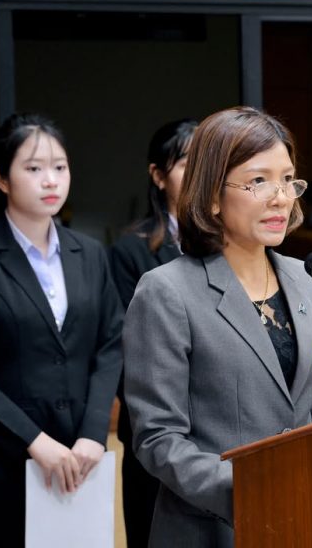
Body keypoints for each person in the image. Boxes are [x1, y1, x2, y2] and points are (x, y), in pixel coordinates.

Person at [122, 106, 312, 547]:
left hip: (306, 521)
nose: (280, 197)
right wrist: (251, 490)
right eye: (258, 181)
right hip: (214, 529)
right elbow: (159, 438)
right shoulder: (167, 291)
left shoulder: (308, 282)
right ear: (211, 196)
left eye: (288, 179)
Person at [0, 113, 123, 547]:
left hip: (81, 459)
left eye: (60, 166)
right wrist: (34, 441)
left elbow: (111, 344)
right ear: (1, 179)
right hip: (0, 464)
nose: (50, 180)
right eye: (34, 168)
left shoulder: (90, 253)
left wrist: (94, 433)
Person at [109, 118, 197, 547]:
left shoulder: (233, 246)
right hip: (157, 436)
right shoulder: (131, 251)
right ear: (158, 176)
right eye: (185, 162)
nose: (198, 173)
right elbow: (128, 353)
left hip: (218, 438)